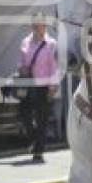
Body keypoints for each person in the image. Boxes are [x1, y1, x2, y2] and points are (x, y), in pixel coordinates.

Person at [17, 13, 60, 163]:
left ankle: (39, 151)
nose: (37, 27)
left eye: (40, 24)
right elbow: (21, 63)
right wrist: (21, 69)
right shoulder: (25, 42)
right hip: (29, 85)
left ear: (45, 26)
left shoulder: (51, 44)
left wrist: (53, 86)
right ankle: (34, 140)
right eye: (34, 24)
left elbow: (54, 67)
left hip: (44, 86)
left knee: (42, 119)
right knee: (24, 116)